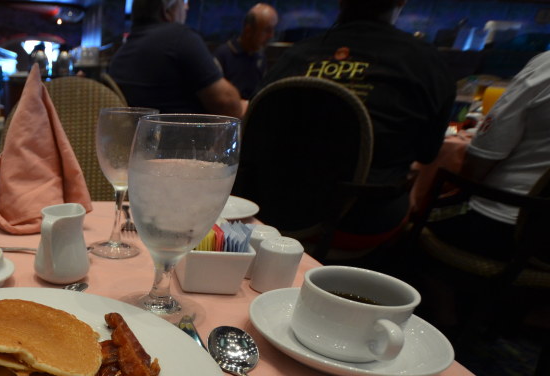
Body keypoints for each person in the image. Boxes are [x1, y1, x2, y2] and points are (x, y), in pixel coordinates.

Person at [259, 0, 455, 247]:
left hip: (273, 213)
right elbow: (427, 154)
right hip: (364, 221)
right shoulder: (427, 64)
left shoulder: (294, 56)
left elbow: (258, 136)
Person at [427, 50, 550, 260]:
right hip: (543, 245)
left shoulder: (545, 66)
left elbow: (482, 157)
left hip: (504, 226)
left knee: (416, 210)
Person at [108, 0, 244, 118]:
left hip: (139, 142)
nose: (187, 8)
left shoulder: (120, 54)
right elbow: (229, 106)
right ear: (167, 11)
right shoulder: (179, 37)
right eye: (183, 2)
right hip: (184, 142)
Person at [214, 3, 279, 100]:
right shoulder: (224, 55)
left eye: (273, 30)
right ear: (248, 30)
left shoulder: (260, 57)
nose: (271, 36)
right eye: (267, 30)